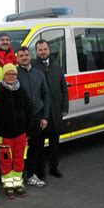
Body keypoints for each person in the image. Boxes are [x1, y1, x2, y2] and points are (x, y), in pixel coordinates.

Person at [0, 63, 32, 198]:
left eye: (13, 74)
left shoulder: (21, 91)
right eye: (8, 74)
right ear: (4, 75)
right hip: (4, 134)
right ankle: (8, 185)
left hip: (20, 132)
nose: (11, 76)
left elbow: (28, 111)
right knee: (6, 160)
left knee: (19, 158)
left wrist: (28, 131)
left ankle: (18, 184)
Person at [31, 40, 69, 179]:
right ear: (36, 52)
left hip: (56, 112)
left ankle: (54, 167)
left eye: (45, 49)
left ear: (49, 50)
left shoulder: (56, 66)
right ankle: (40, 171)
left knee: (55, 144)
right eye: (40, 50)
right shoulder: (33, 67)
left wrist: (64, 108)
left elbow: (64, 89)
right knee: (39, 146)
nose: (43, 52)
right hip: (41, 115)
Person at [16, 46, 50, 187]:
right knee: (20, 150)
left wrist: (45, 117)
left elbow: (46, 96)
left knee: (36, 149)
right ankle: (20, 176)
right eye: (21, 55)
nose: (24, 57)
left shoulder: (39, 73)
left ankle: (32, 175)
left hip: (37, 118)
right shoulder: (15, 74)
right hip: (22, 119)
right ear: (17, 58)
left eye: (26, 55)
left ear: (30, 56)